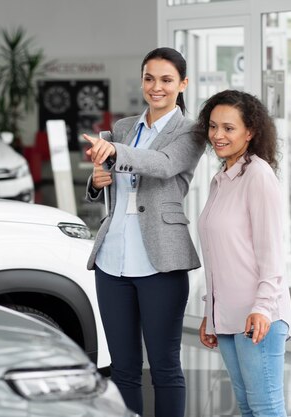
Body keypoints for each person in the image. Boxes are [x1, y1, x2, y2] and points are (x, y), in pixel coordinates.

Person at [82, 47, 205, 417]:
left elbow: (163, 165)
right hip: (112, 261)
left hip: (161, 262)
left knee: (165, 369)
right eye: (149, 78)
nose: (156, 87)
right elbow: (113, 187)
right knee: (122, 369)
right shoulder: (122, 128)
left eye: (167, 80)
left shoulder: (192, 132)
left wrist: (115, 153)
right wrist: (96, 181)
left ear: (182, 84)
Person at [196, 90, 291, 417]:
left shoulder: (258, 176)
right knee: (249, 409)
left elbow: (272, 252)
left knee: (266, 410)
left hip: (257, 318)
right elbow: (218, 256)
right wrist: (211, 314)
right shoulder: (221, 179)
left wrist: (263, 308)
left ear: (249, 132)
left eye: (228, 128)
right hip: (227, 320)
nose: (218, 135)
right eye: (213, 127)